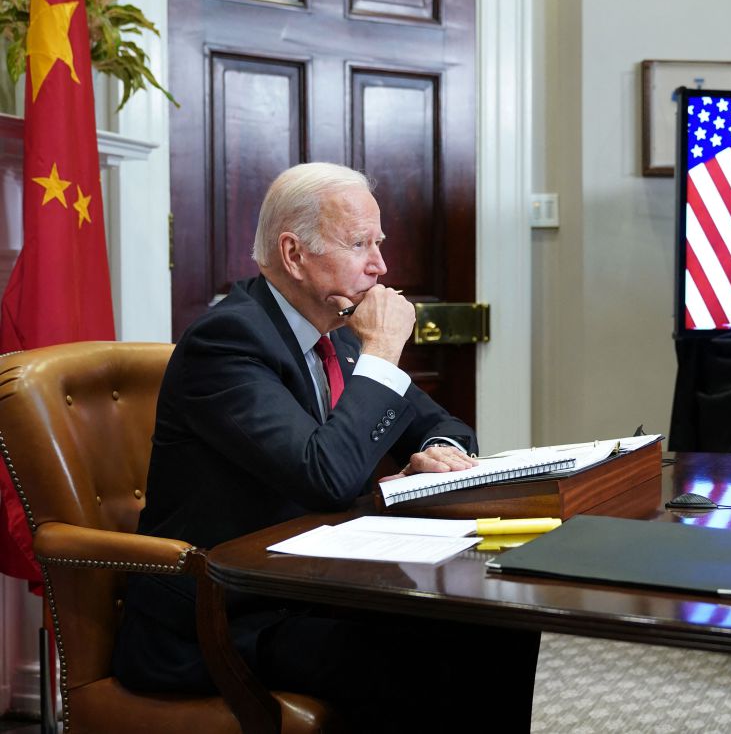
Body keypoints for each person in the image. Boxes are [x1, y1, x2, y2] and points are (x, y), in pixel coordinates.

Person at [112, 162, 540, 729]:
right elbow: (325, 476)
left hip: (317, 588)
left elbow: (450, 429)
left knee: (501, 625)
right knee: (428, 663)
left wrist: (437, 452)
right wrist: (385, 350)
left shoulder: (337, 333)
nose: (380, 266)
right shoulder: (227, 342)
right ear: (293, 254)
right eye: (358, 244)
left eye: (378, 243)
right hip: (227, 613)